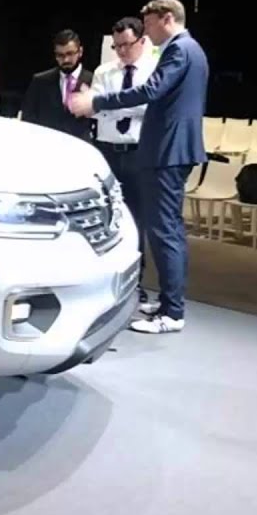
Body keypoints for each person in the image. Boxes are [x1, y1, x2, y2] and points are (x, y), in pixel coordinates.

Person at [68, 0, 208, 334]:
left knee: (164, 231)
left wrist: (95, 101)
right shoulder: (191, 50)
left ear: (166, 18)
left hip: (168, 150)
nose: (148, 32)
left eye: (148, 25)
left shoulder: (179, 49)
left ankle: (172, 313)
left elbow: (151, 90)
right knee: (167, 229)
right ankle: (170, 303)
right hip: (171, 149)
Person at [89, 17, 156, 305]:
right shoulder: (104, 72)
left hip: (138, 153)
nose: (121, 51)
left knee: (137, 220)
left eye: (126, 45)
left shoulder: (154, 72)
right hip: (107, 151)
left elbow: (148, 108)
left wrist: (113, 104)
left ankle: (135, 282)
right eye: (116, 46)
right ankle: (102, 281)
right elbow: (95, 108)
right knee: (104, 217)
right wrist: (123, 105)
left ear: (142, 41)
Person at [19, 29, 94, 140]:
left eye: (70, 54)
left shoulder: (94, 80)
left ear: (80, 52)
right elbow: (28, 118)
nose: (66, 59)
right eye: (60, 55)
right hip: (48, 144)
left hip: (82, 146)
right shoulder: (40, 82)